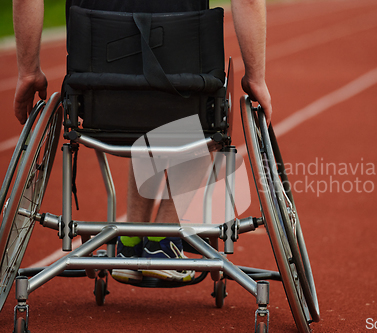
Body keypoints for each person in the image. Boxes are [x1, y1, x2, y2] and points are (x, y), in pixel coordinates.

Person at [13, 0, 272, 283]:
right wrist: (255, 77)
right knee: (196, 125)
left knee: (139, 103)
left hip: (99, 99)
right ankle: (162, 244)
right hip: (184, 96)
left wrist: (28, 72)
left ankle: (131, 244)